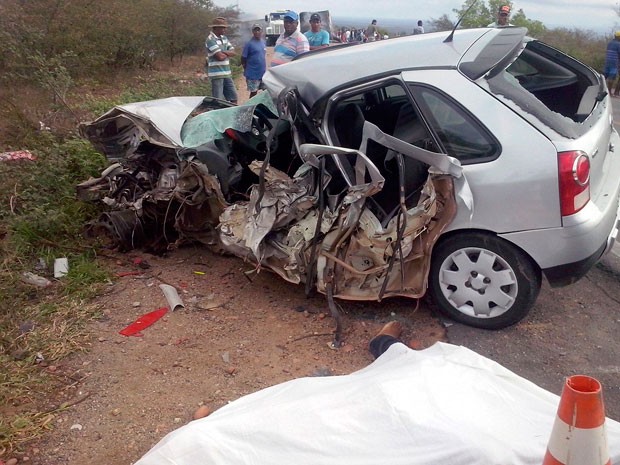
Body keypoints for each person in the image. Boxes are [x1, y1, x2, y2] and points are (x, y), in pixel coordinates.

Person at [205, 17, 238, 104]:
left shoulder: (224, 38)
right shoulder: (210, 40)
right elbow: (220, 57)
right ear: (216, 28)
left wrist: (222, 52)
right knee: (218, 101)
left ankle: (232, 115)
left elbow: (234, 52)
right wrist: (227, 53)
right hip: (216, 74)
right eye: (222, 27)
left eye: (224, 27)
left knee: (234, 98)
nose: (224, 29)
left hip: (227, 73)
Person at [241, 24, 267, 99]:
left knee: (267, 90)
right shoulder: (249, 44)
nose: (257, 32)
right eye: (255, 30)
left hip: (262, 73)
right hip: (252, 74)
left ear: (261, 31)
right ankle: (250, 107)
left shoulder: (263, 42)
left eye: (259, 30)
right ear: (253, 31)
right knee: (253, 93)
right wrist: (245, 67)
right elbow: (243, 57)